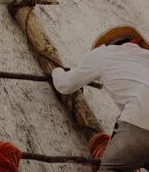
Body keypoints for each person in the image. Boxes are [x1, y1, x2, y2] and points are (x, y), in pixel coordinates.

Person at [52, 26, 149, 172]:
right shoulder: (145, 56)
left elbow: (65, 85)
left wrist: (56, 71)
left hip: (139, 120)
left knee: (111, 169)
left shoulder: (102, 54)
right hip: (140, 116)